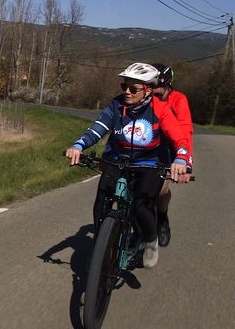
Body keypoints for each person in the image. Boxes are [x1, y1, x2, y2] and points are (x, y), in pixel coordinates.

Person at [65, 63, 191, 269]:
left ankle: (150, 241)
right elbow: (98, 129)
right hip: (116, 158)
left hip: (149, 163)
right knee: (102, 200)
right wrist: (79, 145)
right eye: (125, 86)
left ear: (148, 90)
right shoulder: (116, 106)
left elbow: (180, 140)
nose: (127, 92)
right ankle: (100, 247)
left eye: (133, 89)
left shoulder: (161, 110)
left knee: (142, 205)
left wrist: (181, 159)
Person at [151, 63, 194, 247]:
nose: (153, 91)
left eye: (158, 88)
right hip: (147, 143)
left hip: (169, 147)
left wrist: (186, 162)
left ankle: (162, 216)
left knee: (161, 190)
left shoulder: (178, 100)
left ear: (168, 85)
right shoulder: (146, 97)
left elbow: (185, 131)